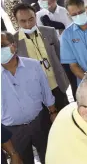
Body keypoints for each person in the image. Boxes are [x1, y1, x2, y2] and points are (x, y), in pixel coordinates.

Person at [1, 31, 57, 164]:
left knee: (49, 157)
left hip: (39, 122)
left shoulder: (33, 65)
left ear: (13, 46)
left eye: (2, 45)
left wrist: (53, 111)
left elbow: (45, 91)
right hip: (12, 131)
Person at [13, 3, 70, 111]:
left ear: (35, 16)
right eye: (23, 21)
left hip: (57, 85)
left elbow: (60, 56)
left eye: (31, 19)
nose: (28, 24)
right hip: (35, 91)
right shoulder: (14, 41)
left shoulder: (49, 32)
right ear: (16, 21)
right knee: (45, 122)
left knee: (64, 115)